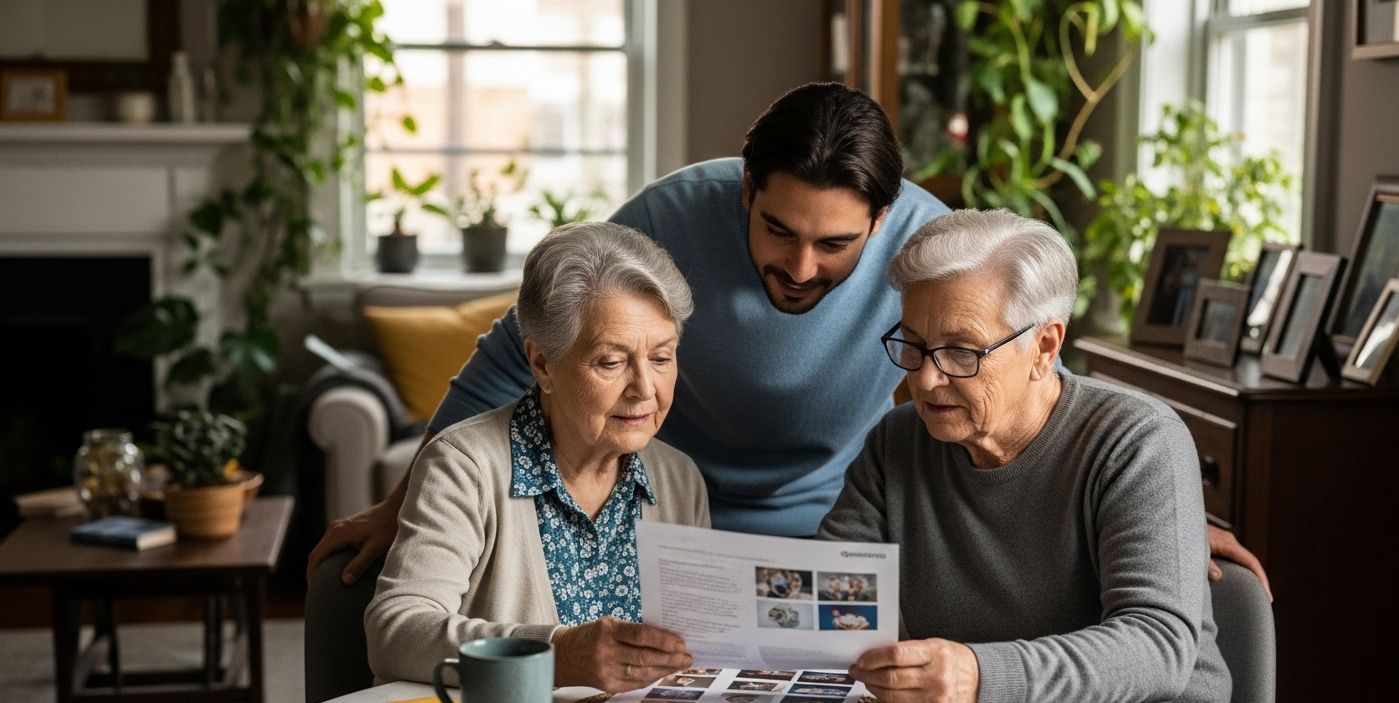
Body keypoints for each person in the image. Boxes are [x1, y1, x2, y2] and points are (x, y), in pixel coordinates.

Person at [309, 82, 1269, 596]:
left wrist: (1162, 508)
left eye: (836, 244)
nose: (802, 268)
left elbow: (1025, 351)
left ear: (886, 221)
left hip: (834, 535)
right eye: (778, 232)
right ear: (744, 194)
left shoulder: (930, 248)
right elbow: (521, 350)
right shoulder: (665, 218)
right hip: (663, 520)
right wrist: (407, 496)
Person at [821, 209, 1244, 703]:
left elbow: (1157, 644)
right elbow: (831, 601)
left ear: (1044, 347)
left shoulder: (1137, 440)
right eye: (914, 344)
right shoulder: (899, 440)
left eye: (960, 351)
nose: (925, 379)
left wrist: (979, 676)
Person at [364, 223, 707, 693]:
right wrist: (554, 654)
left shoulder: (680, 481)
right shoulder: (464, 466)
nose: (645, 389)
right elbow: (395, 631)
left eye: (662, 358)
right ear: (543, 363)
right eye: (611, 362)